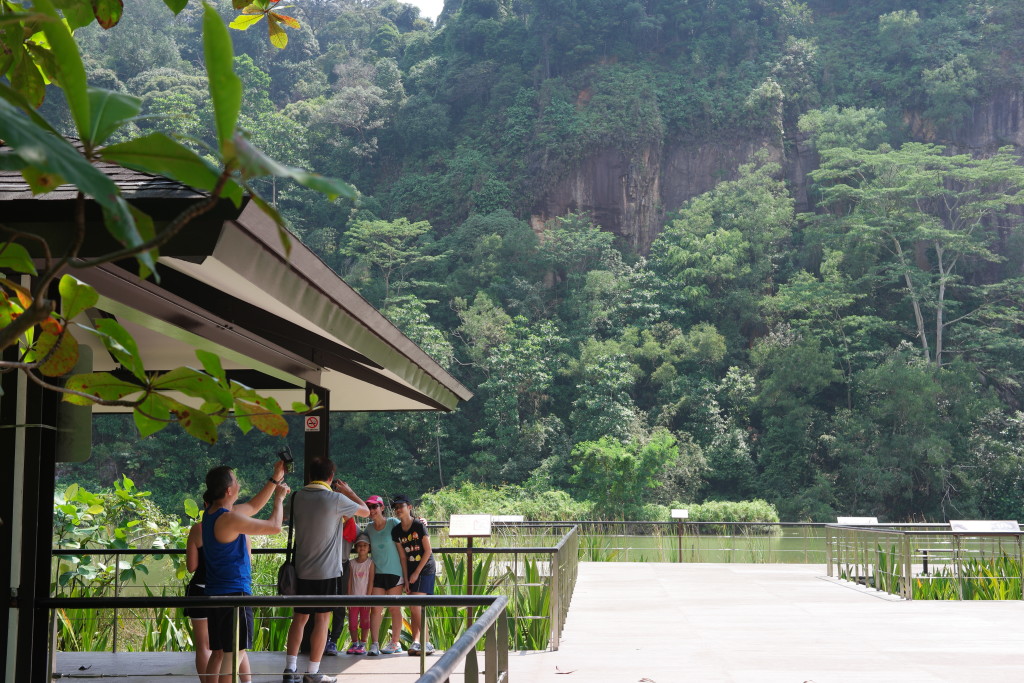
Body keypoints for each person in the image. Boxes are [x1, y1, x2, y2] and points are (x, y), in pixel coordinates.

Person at [282, 458, 368, 683]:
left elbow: (282, 516)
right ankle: (312, 672)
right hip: (328, 571)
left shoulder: (297, 497)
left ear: (310, 475)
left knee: (299, 619)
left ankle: (290, 670)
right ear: (330, 478)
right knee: (322, 620)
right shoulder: (336, 499)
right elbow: (366, 512)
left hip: (301, 571)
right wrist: (349, 492)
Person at [202, 463, 290, 683]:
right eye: (235, 481)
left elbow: (253, 505)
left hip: (216, 596)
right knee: (233, 659)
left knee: (225, 655)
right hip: (235, 596)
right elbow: (275, 527)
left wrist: (275, 479)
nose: (239, 484)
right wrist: (279, 500)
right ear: (229, 490)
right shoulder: (229, 519)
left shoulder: (212, 514)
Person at [391, 494, 436, 656]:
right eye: (396, 507)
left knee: (416, 605)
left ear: (409, 507)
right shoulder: (396, 531)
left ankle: (425, 642)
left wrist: (416, 573)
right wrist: (406, 578)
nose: (398, 510)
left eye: (401, 506)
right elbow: (403, 557)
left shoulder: (418, 525)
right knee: (413, 606)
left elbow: (428, 551)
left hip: (425, 568)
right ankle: (418, 642)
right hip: (410, 571)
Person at [364, 495, 404, 656]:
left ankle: (395, 642)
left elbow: (409, 528)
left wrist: (422, 522)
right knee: (376, 609)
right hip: (378, 573)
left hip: (395, 572)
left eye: (375, 507)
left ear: (382, 508)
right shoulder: (368, 528)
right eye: (369, 507)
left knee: (394, 609)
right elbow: (358, 541)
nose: (372, 510)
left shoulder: (393, 523)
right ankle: (374, 644)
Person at [184, 494, 216, 682]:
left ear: (205, 504)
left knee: (203, 646)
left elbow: (191, 567)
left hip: (200, 589)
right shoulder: (233, 527)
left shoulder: (198, 530)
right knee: (224, 647)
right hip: (225, 590)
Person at [344, 532, 375, 655]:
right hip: (354, 598)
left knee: (365, 621)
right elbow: (350, 580)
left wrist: (368, 597)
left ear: (369, 548)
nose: (362, 547)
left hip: (365, 598)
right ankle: (354, 643)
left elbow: (371, 581)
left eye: (365, 545)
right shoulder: (352, 563)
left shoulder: (370, 563)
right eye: (359, 545)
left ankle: (363, 643)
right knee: (352, 621)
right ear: (356, 548)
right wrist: (349, 597)